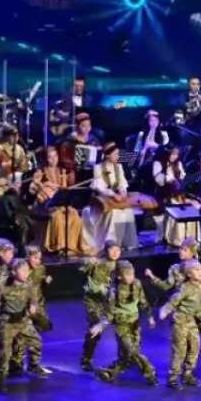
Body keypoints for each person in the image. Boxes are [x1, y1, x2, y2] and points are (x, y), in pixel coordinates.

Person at [94, 260, 158, 385]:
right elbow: (109, 312)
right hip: (121, 325)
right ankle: (149, 372)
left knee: (127, 355)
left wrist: (150, 316)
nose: (130, 277)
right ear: (119, 276)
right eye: (127, 274)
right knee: (133, 351)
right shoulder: (114, 291)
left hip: (134, 322)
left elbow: (143, 301)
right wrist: (101, 325)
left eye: (132, 274)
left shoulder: (137, 284)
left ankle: (110, 372)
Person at [159, 261, 201, 388]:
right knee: (180, 349)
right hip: (180, 321)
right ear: (188, 274)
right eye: (196, 270)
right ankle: (173, 377)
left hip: (191, 321)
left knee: (195, 346)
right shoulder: (185, 288)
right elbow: (174, 300)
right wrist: (165, 310)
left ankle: (188, 373)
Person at [0, 258, 45, 392]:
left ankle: (33, 365)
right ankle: (1, 379)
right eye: (23, 270)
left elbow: (33, 299)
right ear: (13, 272)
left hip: (23, 321)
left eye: (27, 270)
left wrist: (33, 305)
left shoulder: (28, 283)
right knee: (5, 354)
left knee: (36, 341)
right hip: (7, 323)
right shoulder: (3, 284)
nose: (26, 273)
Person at [31, 145, 90, 256]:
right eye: (50, 157)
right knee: (57, 216)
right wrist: (42, 186)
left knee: (74, 215)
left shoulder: (62, 170)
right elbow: (34, 190)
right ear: (45, 159)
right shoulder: (40, 172)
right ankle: (59, 246)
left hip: (62, 203)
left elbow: (69, 188)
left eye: (55, 156)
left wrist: (71, 176)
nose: (54, 159)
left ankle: (72, 246)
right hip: (46, 205)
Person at [83, 145, 138, 250]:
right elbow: (100, 187)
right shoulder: (98, 168)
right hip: (102, 199)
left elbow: (122, 183)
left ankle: (124, 242)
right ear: (107, 155)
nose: (118, 156)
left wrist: (123, 192)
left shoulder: (119, 167)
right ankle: (110, 242)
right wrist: (113, 195)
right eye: (115, 154)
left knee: (128, 211)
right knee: (114, 212)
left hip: (116, 198)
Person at [79, 240, 121, 371]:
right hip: (94, 301)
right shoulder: (98, 263)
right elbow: (82, 270)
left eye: (117, 250)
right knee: (95, 327)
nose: (115, 253)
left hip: (110, 302)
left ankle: (124, 358)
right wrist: (88, 262)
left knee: (124, 328)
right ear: (106, 250)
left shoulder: (121, 266)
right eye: (112, 249)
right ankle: (86, 359)